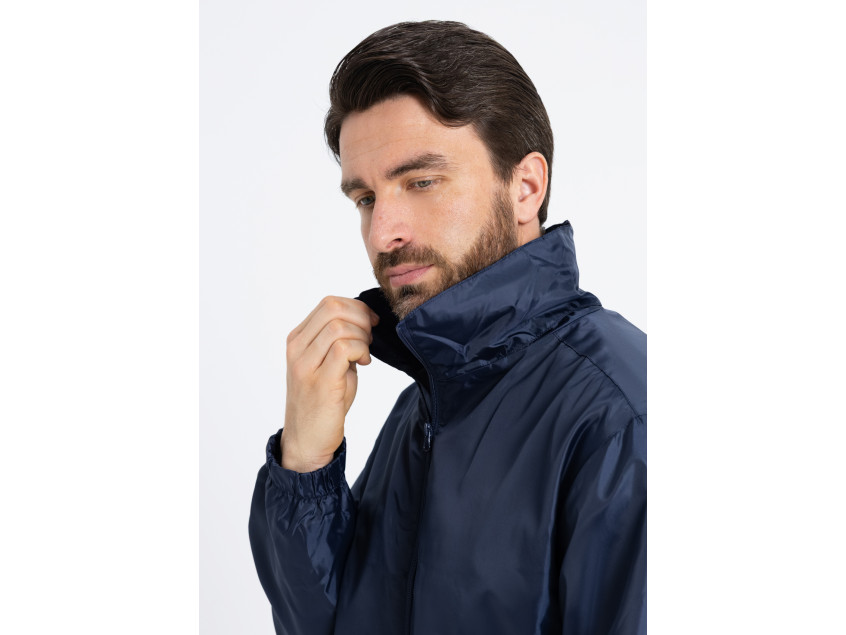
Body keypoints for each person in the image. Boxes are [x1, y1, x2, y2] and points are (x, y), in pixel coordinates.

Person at [249, 20, 646, 635]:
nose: (384, 233)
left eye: (421, 182)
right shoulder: (425, 407)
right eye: (366, 199)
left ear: (525, 187)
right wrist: (305, 464)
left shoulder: (620, 415)